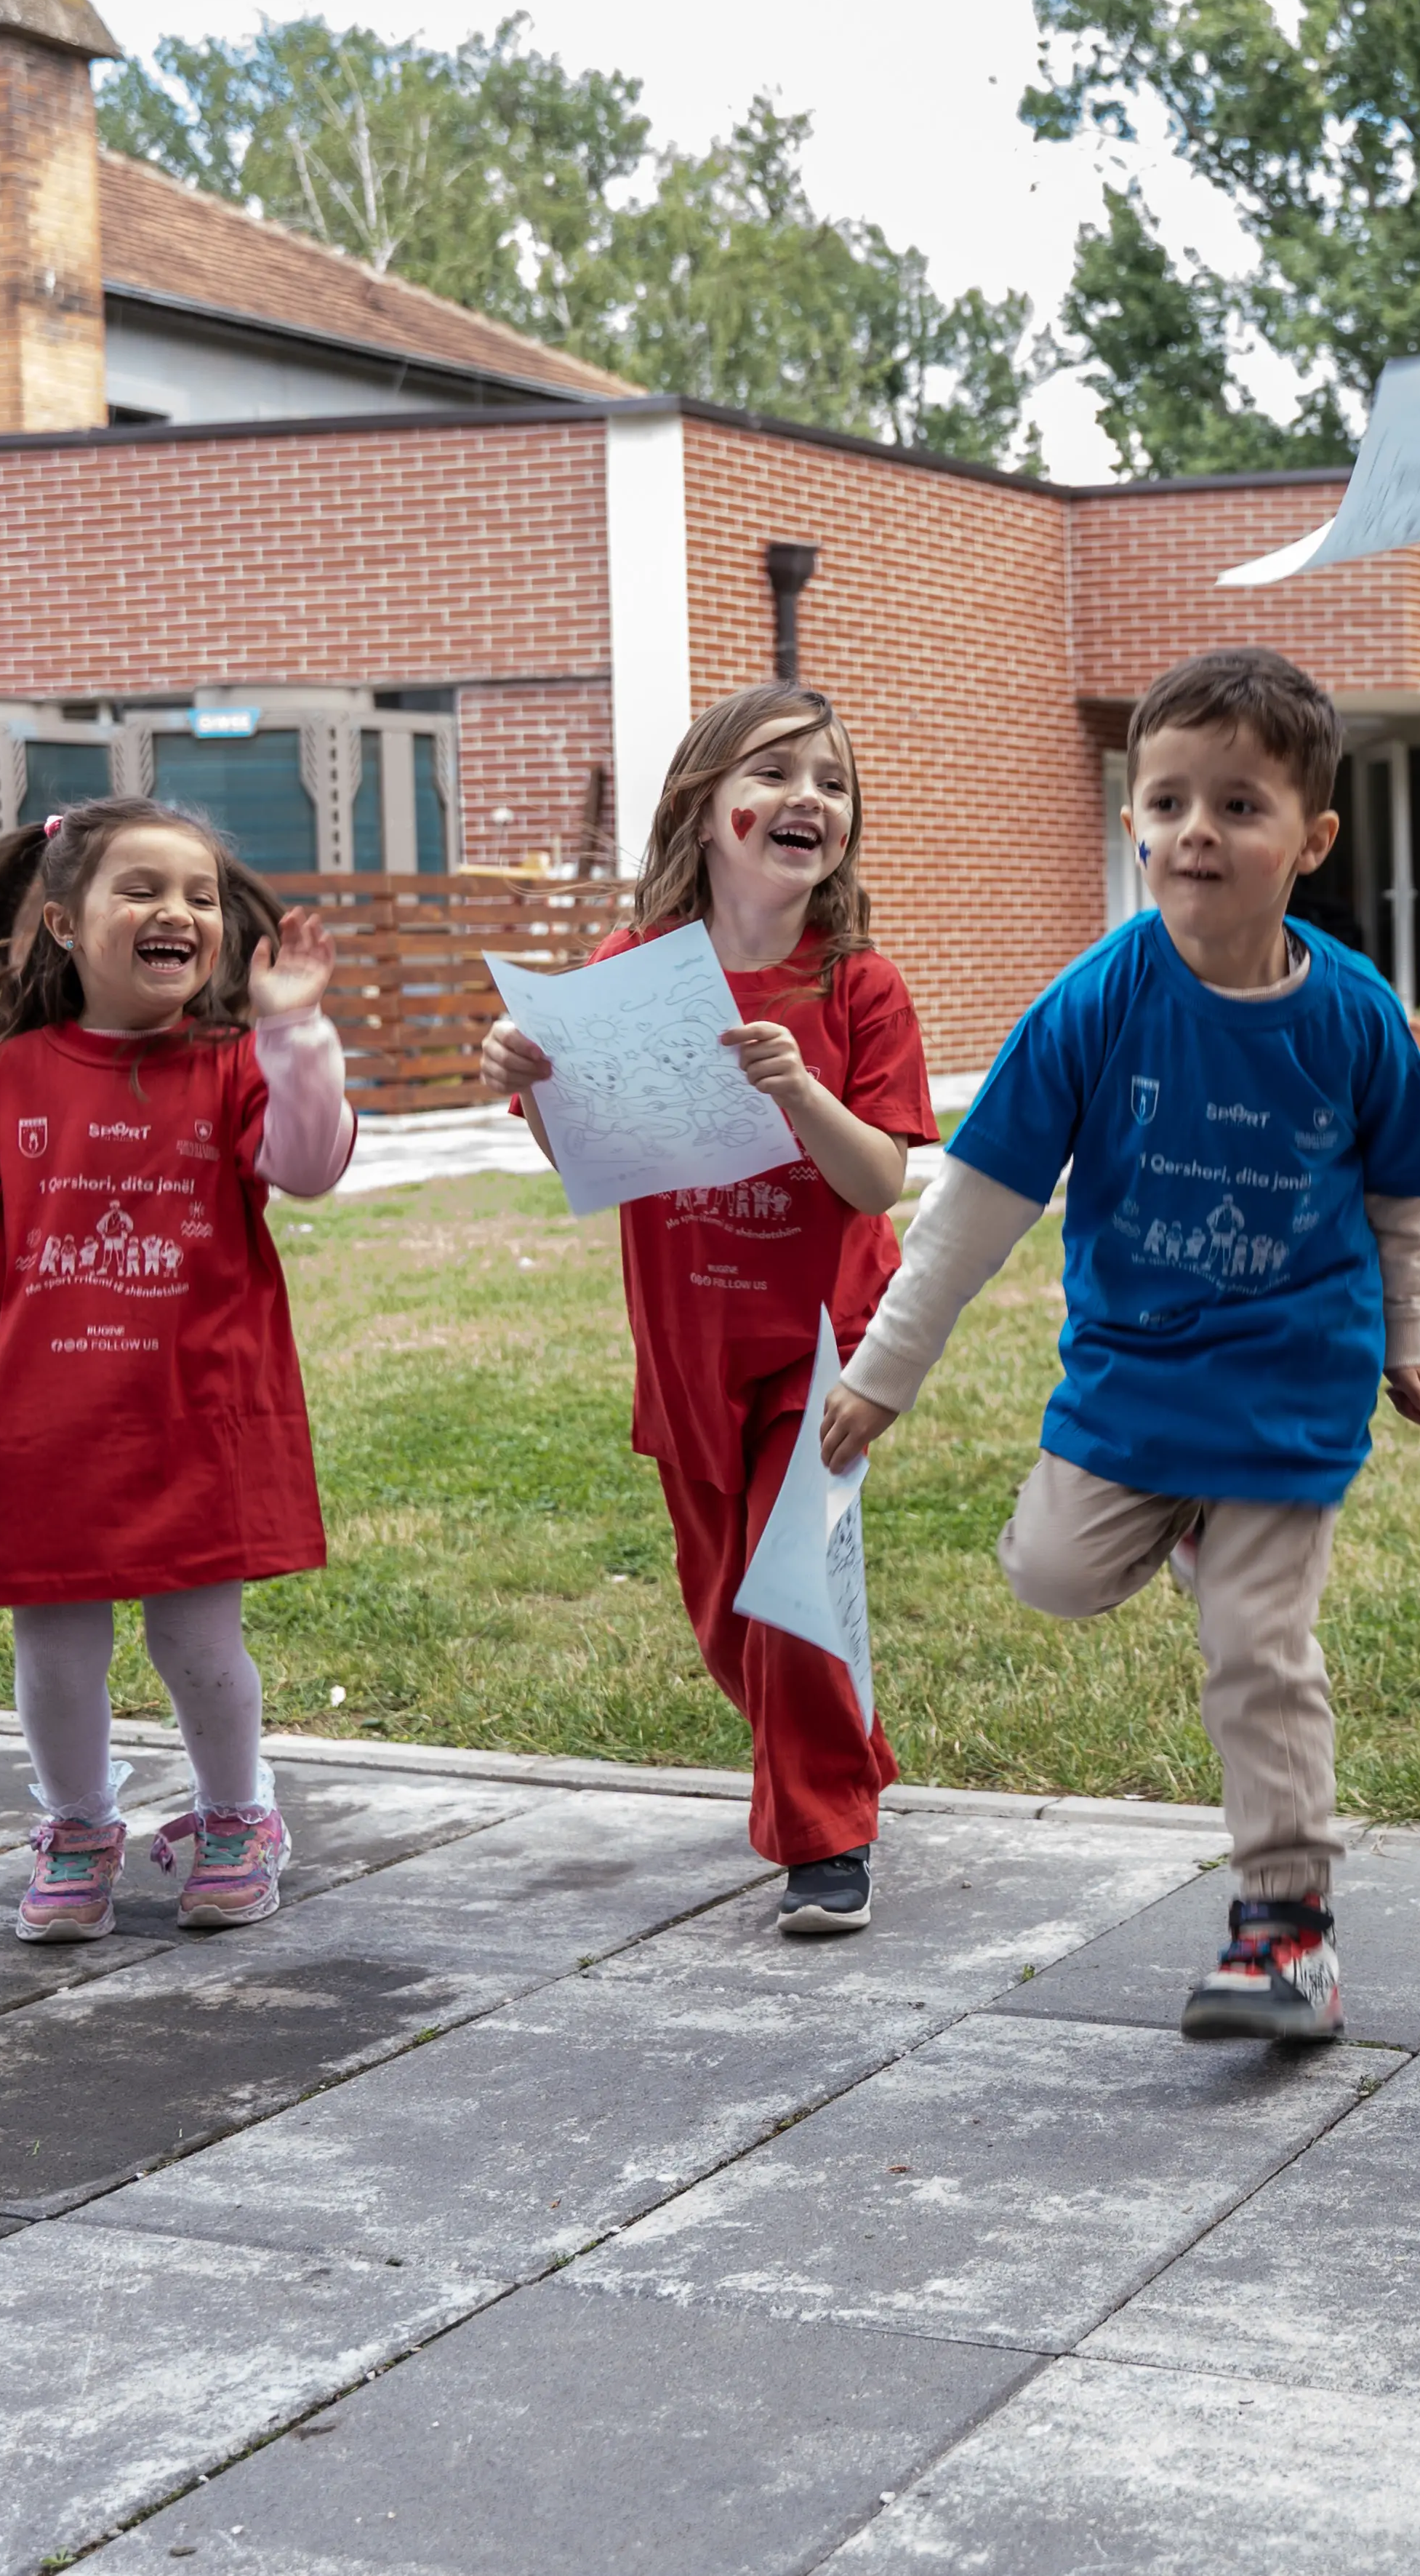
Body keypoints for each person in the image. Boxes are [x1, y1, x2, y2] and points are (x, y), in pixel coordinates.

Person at [814, 647, 1420, 2041]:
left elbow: (1406, 1196)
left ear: (1312, 839)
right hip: (1133, 1377)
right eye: (1167, 802)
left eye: (1238, 806)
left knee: (1258, 1647)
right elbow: (974, 1212)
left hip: (1295, 1383)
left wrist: (1404, 1335)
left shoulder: (1351, 1014)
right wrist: (882, 1371)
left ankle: (1284, 1932)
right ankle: (1183, 1533)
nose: (1197, 833)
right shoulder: (1097, 1002)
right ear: (1131, 823)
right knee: (1049, 1572)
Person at [479, 684, 933, 1935]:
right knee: (728, 1617)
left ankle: (824, 1839)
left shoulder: (858, 987)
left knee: (791, 1592)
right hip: (687, 1344)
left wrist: (799, 1094)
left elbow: (879, 1179)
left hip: (822, 1344)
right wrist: (518, 1073)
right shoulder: (632, 974)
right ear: (702, 803)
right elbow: (583, 1150)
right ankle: (843, 1756)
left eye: (832, 783)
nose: (808, 800)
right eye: (775, 773)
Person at [0, 799, 352, 1941]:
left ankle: (238, 1816)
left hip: (197, 1419)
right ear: (62, 924)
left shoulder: (240, 1065)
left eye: (196, 894)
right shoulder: (3, 1073)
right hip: (47, 1427)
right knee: (56, 1648)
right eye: (139, 889)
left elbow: (310, 1162)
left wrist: (295, 1034)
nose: (175, 911)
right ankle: (78, 1829)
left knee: (197, 1643)